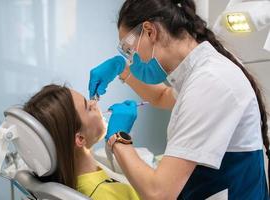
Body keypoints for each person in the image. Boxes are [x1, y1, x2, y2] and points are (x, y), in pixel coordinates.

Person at [88, 0, 269, 199]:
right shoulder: (199, 72)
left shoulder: (210, 81)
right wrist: (123, 70)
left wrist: (118, 137)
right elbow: (161, 96)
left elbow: (158, 194)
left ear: (150, 31)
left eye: (129, 51)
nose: (131, 59)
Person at [23, 84, 140, 200]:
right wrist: (120, 138)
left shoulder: (71, 184)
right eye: (88, 107)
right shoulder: (109, 195)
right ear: (80, 139)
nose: (94, 103)